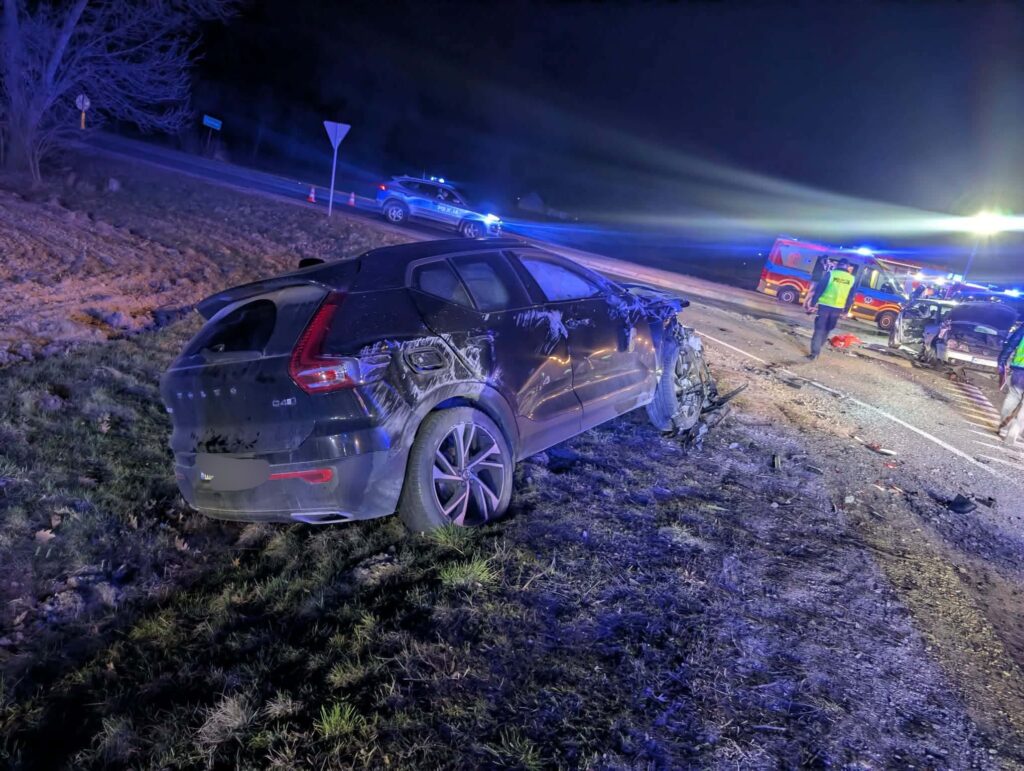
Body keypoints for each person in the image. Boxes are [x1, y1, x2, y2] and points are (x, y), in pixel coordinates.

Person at [803, 257, 856, 360]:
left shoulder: (830, 274)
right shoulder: (851, 279)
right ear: (847, 267)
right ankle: (818, 347)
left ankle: (814, 353)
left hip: (824, 306)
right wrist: (845, 311)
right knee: (827, 329)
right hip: (837, 309)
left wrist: (812, 305)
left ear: (838, 265)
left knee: (819, 329)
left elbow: (819, 290)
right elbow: (851, 296)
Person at [997, 322, 1024, 445]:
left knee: (1013, 396)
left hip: (1020, 370)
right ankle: (1015, 430)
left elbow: (1011, 344)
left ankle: (1004, 426)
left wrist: (1002, 360)